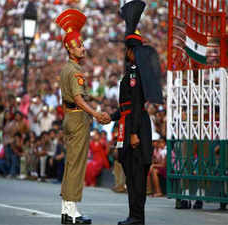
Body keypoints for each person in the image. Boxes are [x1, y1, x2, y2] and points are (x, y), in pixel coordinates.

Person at [103, 1, 164, 224]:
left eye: (127, 50)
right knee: (131, 173)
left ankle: (137, 217)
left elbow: (136, 106)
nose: (125, 54)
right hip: (128, 124)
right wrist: (110, 117)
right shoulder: (131, 73)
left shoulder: (133, 74)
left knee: (137, 176)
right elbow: (125, 107)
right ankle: (133, 215)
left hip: (135, 127)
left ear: (131, 51)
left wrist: (133, 133)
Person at [55, 9, 109, 225]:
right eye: (78, 45)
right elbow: (78, 98)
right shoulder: (75, 70)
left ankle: (66, 209)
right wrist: (95, 113)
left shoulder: (65, 68)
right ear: (69, 48)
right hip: (78, 119)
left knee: (71, 164)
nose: (83, 48)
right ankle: (72, 211)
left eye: (82, 44)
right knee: (77, 165)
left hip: (69, 117)